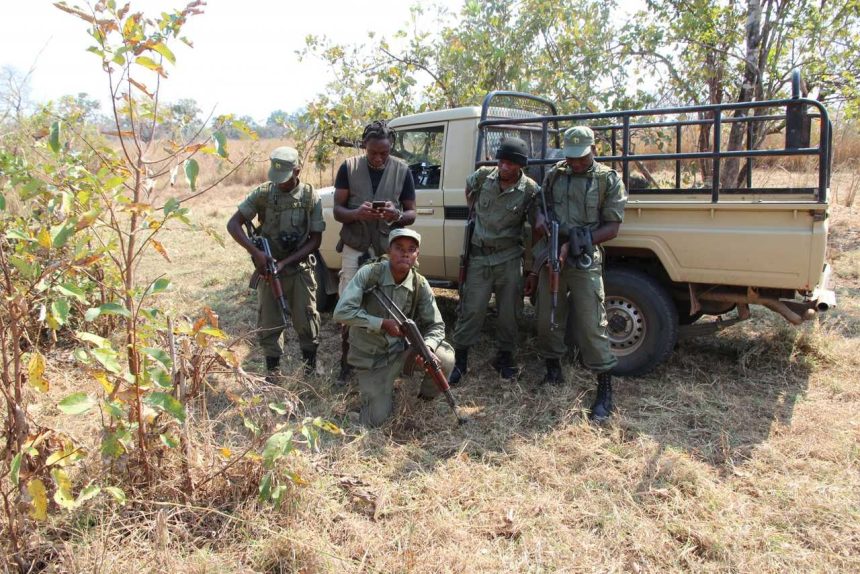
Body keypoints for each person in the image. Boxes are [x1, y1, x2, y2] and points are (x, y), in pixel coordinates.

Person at [526, 126, 627, 421]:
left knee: (592, 321)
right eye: (571, 158)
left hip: (583, 257)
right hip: (551, 254)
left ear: (593, 149)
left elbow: (612, 227)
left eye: (581, 158)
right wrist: (541, 219)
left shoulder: (607, 179)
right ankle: (553, 370)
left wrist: (574, 244)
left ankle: (604, 389)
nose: (575, 163)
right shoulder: (556, 174)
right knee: (548, 316)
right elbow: (538, 206)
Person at [332, 228, 454, 427]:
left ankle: (424, 400)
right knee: (375, 420)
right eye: (399, 248)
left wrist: (428, 349)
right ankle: (373, 392)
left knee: (444, 358)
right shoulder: (370, 273)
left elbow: (437, 325)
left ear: (417, 255)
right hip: (371, 358)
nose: (405, 253)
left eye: (411, 249)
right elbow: (341, 312)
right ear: (389, 251)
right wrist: (381, 323)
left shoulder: (419, 283)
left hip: (399, 352)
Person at [226, 146, 325, 380]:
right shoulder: (263, 194)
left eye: (285, 178)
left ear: (298, 170)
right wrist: (257, 254)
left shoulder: (311, 196)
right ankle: (273, 372)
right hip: (268, 271)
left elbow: (315, 240)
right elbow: (233, 224)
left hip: (300, 269)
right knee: (269, 322)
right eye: (276, 178)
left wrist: (287, 262)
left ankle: (310, 369)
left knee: (307, 319)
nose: (280, 183)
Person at [332, 120, 418, 384]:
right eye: (373, 153)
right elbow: (337, 210)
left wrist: (397, 215)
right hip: (356, 247)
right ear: (364, 146)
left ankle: (387, 363)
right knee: (349, 303)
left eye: (384, 152)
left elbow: (411, 213)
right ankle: (347, 363)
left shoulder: (402, 170)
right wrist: (356, 213)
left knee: (391, 307)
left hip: (387, 251)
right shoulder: (349, 167)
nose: (379, 158)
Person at [449, 137, 539, 385]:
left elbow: (535, 228)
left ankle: (505, 358)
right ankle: (460, 360)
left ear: (520, 166)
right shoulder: (482, 177)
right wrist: (476, 213)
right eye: (501, 161)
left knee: (510, 313)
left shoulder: (530, 190)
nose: (504, 167)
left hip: (509, 257)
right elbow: (469, 192)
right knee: (471, 309)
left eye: (510, 163)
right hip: (479, 256)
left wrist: (531, 269)